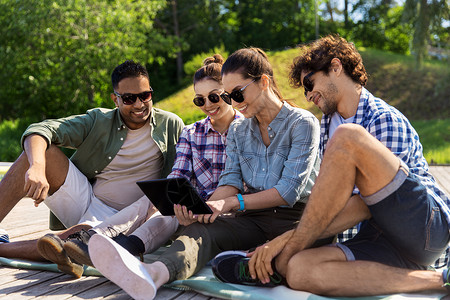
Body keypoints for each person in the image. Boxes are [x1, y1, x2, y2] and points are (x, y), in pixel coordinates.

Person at [213, 35, 450, 296]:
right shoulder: (328, 125)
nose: (308, 94)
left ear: (336, 68)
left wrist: (286, 242)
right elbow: (329, 201)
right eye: (304, 89)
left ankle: (273, 261)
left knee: (349, 137)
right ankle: (439, 280)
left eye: (309, 83)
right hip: (381, 239)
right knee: (299, 269)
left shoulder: (382, 119)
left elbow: (364, 204)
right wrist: (290, 252)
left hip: (425, 227)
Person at [87, 47, 330, 300]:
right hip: (253, 219)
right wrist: (206, 208)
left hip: (295, 222)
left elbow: (288, 192)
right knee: (200, 231)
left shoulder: (302, 123)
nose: (234, 103)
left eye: (237, 93)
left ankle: (254, 265)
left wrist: (230, 203)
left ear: (264, 82)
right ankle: (152, 274)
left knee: (289, 260)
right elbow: (231, 181)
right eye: (229, 96)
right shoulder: (239, 130)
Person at [0, 60, 184, 278]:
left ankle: (10, 249)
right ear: (115, 99)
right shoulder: (98, 120)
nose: (138, 104)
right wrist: (37, 167)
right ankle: (68, 249)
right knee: (39, 153)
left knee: (79, 237)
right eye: (129, 98)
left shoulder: (171, 124)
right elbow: (40, 129)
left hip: (131, 215)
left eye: (145, 95)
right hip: (87, 198)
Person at [61, 53, 242, 266]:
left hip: (229, 213)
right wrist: (171, 200)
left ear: (227, 93)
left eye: (214, 96)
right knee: (157, 200)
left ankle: (118, 245)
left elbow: (241, 183)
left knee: (166, 211)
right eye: (199, 100)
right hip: (190, 212)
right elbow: (177, 177)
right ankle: (97, 238)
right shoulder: (191, 133)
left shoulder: (246, 131)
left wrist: (208, 206)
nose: (208, 105)